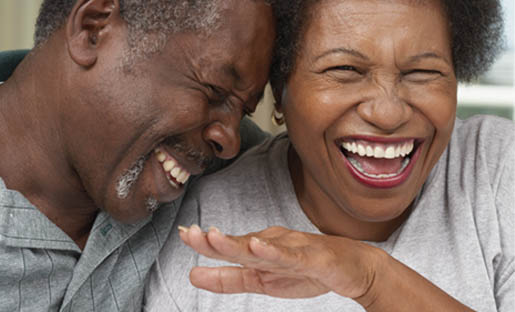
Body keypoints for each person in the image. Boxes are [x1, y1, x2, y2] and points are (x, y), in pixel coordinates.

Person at [145, 0, 515, 311]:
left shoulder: (497, 168)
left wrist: (372, 278)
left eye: (422, 73)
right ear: (279, 90)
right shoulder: (208, 228)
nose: (388, 114)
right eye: (345, 70)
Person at [0, 0, 276, 311]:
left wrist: (344, 266)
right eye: (214, 90)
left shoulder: (225, 172)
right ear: (93, 29)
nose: (230, 140)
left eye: (243, 112)